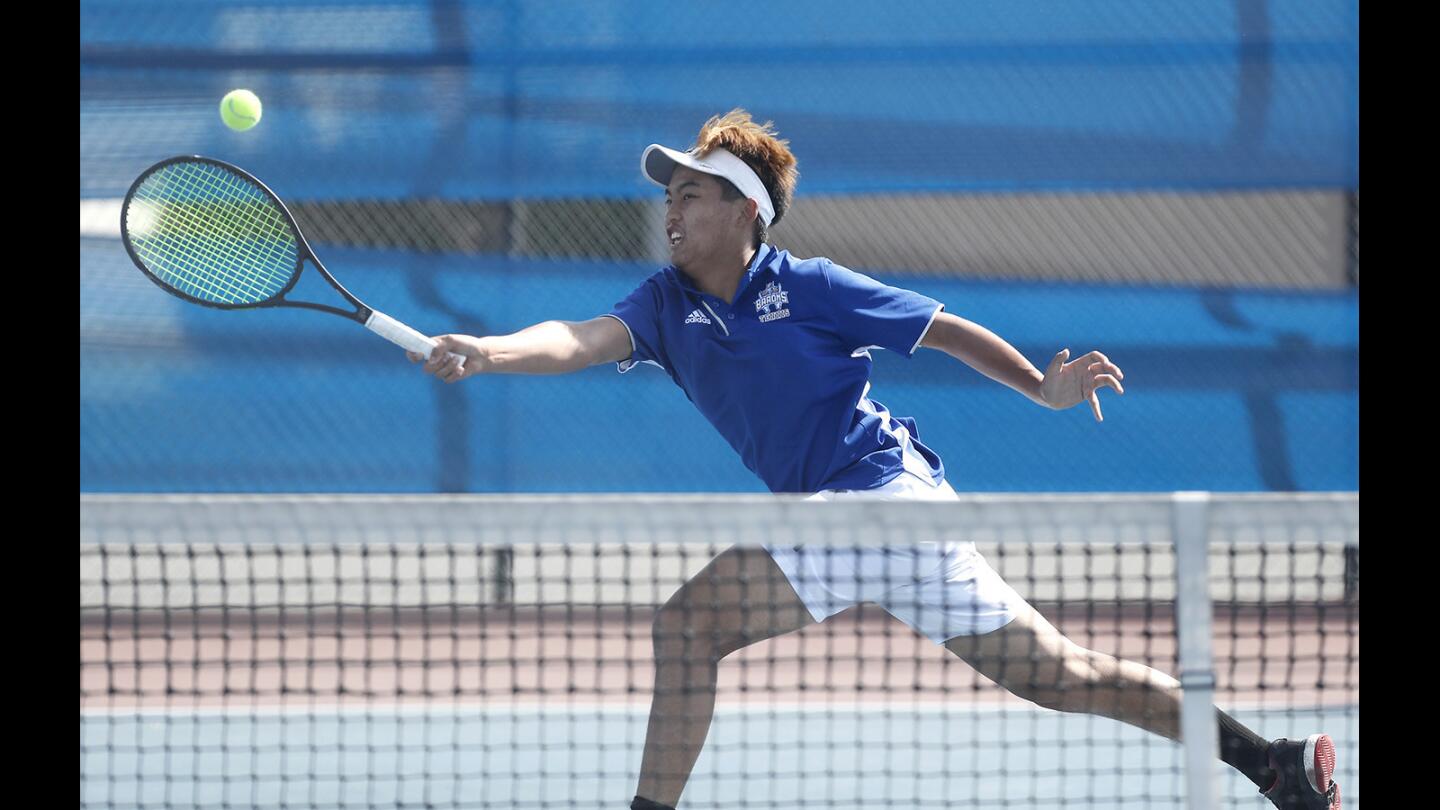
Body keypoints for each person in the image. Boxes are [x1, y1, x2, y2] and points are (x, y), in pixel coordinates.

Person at [410, 110, 1341, 810]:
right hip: (873, 520)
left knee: (687, 628)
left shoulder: (811, 287)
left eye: (692, 191)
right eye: (670, 194)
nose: (672, 207)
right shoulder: (661, 303)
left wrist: (1040, 388)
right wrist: (489, 349)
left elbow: (943, 329)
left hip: (884, 498)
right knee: (1062, 677)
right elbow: (576, 337)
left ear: (746, 210)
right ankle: (1274, 763)